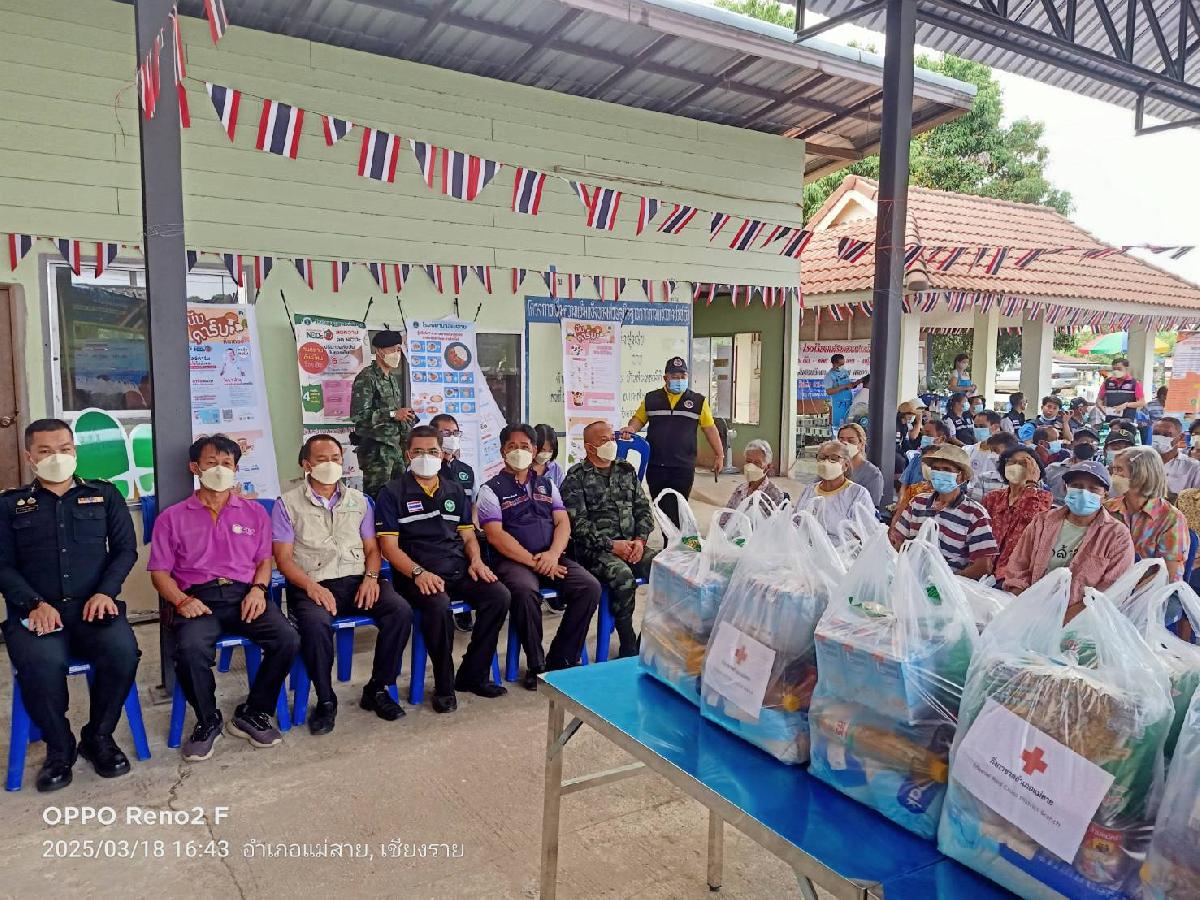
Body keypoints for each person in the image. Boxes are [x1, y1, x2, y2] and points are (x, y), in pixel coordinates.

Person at [0, 419, 140, 792]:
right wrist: (33, 603)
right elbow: (2, 565)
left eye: (64, 449)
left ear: (75, 451)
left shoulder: (104, 494)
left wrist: (106, 592)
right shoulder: (9, 505)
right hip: (37, 613)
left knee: (123, 652)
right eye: (45, 451)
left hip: (95, 607)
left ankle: (98, 737)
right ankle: (59, 748)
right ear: (30, 457)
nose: (56, 457)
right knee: (40, 664)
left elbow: (125, 550)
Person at [148, 435, 300, 761]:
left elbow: (264, 561)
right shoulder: (172, 517)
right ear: (195, 468)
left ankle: (253, 712)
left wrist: (259, 590)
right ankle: (208, 719)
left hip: (244, 594)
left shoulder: (254, 512)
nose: (220, 469)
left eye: (227, 463)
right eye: (211, 463)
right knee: (189, 650)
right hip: (197, 599)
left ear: (236, 469)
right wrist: (181, 601)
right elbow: (159, 573)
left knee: (287, 638)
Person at [272, 434, 411, 734]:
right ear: (306, 464)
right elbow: (283, 560)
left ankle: (377, 688)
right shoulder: (287, 504)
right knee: (314, 625)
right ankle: (326, 699)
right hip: (313, 584)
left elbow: (373, 549)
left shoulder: (359, 501)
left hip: (357, 580)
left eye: (335, 459)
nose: (330, 464)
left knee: (399, 611)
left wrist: (371, 578)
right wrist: (311, 587)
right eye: (322, 459)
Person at [376, 425, 510, 713]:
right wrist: (418, 573)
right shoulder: (392, 492)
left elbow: (468, 536)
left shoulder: (455, 491)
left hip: (456, 568)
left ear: (442, 454)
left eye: (432, 451)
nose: (426, 457)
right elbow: (389, 548)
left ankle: (472, 673)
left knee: (499, 595)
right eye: (419, 451)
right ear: (407, 454)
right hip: (414, 574)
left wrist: (476, 561)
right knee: (438, 606)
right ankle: (444, 685)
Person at [479, 424, 600, 689]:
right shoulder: (490, 489)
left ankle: (562, 659)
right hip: (513, 561)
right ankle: (537, 665)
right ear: (502, 451)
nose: (519, 451)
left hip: (551, 556)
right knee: (524, 592)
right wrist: (536, 562)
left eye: (525, 446)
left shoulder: (547, 485)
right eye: (512, 446)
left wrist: (553, 555)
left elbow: (563, 523)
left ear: (534, 450)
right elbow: (496, 536)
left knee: (589, 587)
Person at [560, 421, 656, 659]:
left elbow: (644, 510)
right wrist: (611, 546)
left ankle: (649, 638)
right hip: (594, 551)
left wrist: (640, 541)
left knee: (666, 570)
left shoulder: (626, 470)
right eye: (604, 440)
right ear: (589, 447)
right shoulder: (576, 478)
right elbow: (577, 525)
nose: (611, 443)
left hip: (632, 545)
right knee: (622, 577)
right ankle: (627, 642)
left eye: (612, 438)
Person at [1005, 461, 1135, 620]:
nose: (1083, 493)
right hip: (1030, 610)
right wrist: (1026, 608)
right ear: (1066, 488)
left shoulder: (1117, 536)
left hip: (1082, 620)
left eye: (1093, 489)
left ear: (1105, 495)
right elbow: (1018, 566)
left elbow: (1112, 591)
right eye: (1076, 486)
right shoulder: (1043, 522)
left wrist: (1062, 621)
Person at [623, 357, 723, 528]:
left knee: (679, 508)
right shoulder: (651, 399)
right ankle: (668, 540)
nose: (679, 380)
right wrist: (631, 428)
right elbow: (638, 419)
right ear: (665, 378)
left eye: (683, 376)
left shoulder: (698, 401)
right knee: (660, 508)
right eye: (675, 376)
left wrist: (719, 454)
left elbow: (710, 429)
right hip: (656, 465)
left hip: (683, 466)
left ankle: (676, 541)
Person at [890, 445, 998, 578]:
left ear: (962, 477)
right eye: (935, 469)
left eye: (946, 470)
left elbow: (983, 566)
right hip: (911, 578)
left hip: (952, 582)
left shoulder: (975, 514)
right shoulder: (918, 502)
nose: (939, 473)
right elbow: (898, 540)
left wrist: (946, 581)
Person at [1106, 446, 1191, 583]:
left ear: (1141, 474)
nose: (1113, 476)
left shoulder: (1171, 518)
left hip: (1152, 589)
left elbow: (1169, 574)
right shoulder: (1108, 508)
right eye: (1113, 470)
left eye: (1119, 470)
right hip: (1109, 584)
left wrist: (1129, 591)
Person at [350, 330, 416, 498]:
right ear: (379, 351)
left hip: (396, 449)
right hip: (376, 452)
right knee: (379, 498)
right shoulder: (367, 377)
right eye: (392, 349)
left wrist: (406, 420)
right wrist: (393, 414)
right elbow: (358, 416)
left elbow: (396, 415)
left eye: (399, 349)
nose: (397, 354)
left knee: (399, 496)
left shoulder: (392, 379)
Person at [430, 413, 478, 633]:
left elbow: (473, 503)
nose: (452, 437)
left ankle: (463, 606)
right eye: (446, 433)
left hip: (463, 531)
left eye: (455, 433)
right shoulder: (426, 468)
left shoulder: (466, 471)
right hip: (436, 535)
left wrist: (473, 526)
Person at [982, 446, 1052, 583]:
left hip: (1013, 576)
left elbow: (1032, 519)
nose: (1015, 466)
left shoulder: (1043, 498)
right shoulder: (992, 498)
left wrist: (1031, 484)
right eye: (1011, 462)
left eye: (1023, 463)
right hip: (984, 569)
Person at [795, 441, 876, 542]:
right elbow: (795, 523)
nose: (826, 462)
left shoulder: (858, 494)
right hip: (803, 549)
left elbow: (866, 534)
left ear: (845, 465)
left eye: (833, 459)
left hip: (841, 551)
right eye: (822, 458)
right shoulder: (809, 491)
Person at [726, 439, 788, 509]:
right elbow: (727, 513)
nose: (751, 466)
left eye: (757, 463)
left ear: (768, 467)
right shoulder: (740, 490)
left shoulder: (775, 495)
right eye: (748, 461)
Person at [1045, 428, 1101, 503]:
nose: (1089, 445)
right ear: (1074, 443)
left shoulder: (1099, 474)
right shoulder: (1054, 468)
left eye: (1093, 443)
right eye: (1084, 441)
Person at [1151, 416, 1200, 497]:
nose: (1160, 437)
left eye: (1167, 434)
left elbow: (1196, 499)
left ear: (1180, 437)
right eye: (1156, 433)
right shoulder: (1141, 460)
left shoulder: (1193, 467)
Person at [837, 423, 884, 506]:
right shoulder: (832, 467)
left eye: (851, 441)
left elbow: (872, 506)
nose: (845, 444)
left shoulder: (872, 474)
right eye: (841, 440)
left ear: (861, 444)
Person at [967, 431, 1018, 503]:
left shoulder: (1025, 480)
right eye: (991, 451)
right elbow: (976, 506)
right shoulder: (983, 479)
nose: (992, 455)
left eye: (996, 450)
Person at [822, 353, 863, 428]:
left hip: (848, 402)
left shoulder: (845, 372)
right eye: (841, 364)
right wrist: (843, 386)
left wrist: (855, 384)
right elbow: (829, 391)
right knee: (840, 426)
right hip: (838, 405)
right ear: (834, 363)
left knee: (849, 424)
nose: (842, 366)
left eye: (843, 364)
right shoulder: (829, 376)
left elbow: (848, 385)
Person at [532, 424, 565, 488]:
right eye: (542, 450)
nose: (545, 454)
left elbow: (563, 492)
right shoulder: (522, 467)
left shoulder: (557, 469)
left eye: (550, 451)